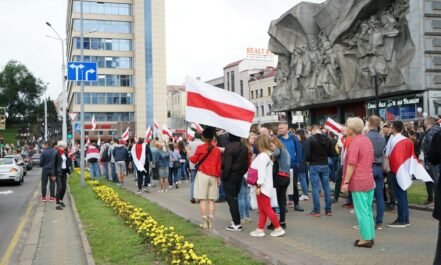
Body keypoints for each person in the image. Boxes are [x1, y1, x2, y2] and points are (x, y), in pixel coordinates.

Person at [341, 117, 375, 248]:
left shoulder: (355, 142)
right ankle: (370, 236)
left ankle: (366, 239)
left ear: (352, 129)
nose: (345, 127)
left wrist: (346, 182)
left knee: (361, 211)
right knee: (368, 210)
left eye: (347, 125)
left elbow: (351, 164)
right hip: (368, 179)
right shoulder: (366, 140)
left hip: (359, 181)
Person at [249, 135, 285, 237]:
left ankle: (278, 228)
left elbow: (261, 173)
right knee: (263, 209)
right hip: (264, 186)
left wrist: (259, 186)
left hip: (262, 186)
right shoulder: (267, 155)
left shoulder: (262, 156)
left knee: (266, 208)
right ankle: (260, 229)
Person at [189, 127, 222, 230]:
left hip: (203, 174)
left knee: (203, 199)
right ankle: (211, 223)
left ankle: (204, 222)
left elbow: (194, 160)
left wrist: (188, 154)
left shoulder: (200, 148)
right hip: (213, 175)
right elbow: (218, 165)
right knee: (212, 200)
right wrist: (218, 177)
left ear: (203, 137)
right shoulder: (217, 150)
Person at [385, 121, 410, 228]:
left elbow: (388, 154)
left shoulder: (393, 139)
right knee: (403, 194)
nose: (390, 128)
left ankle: (401, 220)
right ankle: (405, 218)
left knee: (399, 195)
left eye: (391, 127)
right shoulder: (406, 139)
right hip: (404, 169)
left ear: (394, 128)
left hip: (395, 169)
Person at [222, 133, 249, 232]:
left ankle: (236, 223)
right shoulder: (244, 147)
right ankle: (236, 220)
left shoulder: (229, 148)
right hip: (239, 175)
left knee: (231, 199)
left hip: (230, 176)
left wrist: (224, 177)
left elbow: (227, 166)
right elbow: (246, 163)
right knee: (235, 198)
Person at [304, 125, 333, 217]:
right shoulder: (327, 138)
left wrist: (308, 162)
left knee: (315, 189)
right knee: (326, 188)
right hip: (324, 164)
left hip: (314, 165)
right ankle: (328, 210)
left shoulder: (310, 139)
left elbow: (307, 154)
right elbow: (331, 152)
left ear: (312, 130)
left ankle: (317, 210)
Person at [277, 122, 304, 212]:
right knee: (282, 186)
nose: (279, 130)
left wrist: (298, 162)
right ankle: (283, 205)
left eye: (281, 128)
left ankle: (296, 204)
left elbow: (299, 150)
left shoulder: (293, 138)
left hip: (293, 166)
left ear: (286, 128)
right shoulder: (277, 139)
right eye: (279, 128)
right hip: (281, 167)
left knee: (294, 185)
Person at [366, 115, 386, 229]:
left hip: (369, 167)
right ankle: (379, 222)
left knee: (366, 196)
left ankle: (368, 220)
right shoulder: (382, 138)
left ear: (369, 123)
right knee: (379, 196)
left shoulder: (366, 137)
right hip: (379, 166)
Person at [268, 138, 291, 230]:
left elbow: (274, 154)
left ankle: (274, 223)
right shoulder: (286, 151)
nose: (271, 148)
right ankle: (282, 222)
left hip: (280, 178)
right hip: (286, 178)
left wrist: (268, 154)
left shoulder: (279, 149)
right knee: (282, 202)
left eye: (271, 146)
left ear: (276, 144)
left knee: (274, 201)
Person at [423, 117, 441, 204]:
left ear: (427, 123)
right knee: (432, 178)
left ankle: (434, 199)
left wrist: (428, 155)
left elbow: (430, 146)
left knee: (433, 179)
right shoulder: (434, 130)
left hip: (431, 159)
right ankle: (432, 198)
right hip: (432, 158)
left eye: (424, 122)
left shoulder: (431, 132)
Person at [238, 133, 255, 224]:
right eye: (252, 138)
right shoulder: (251, 149)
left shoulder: (242, 149)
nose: (253, 139)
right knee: (247, 196)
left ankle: (242, 217)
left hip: (242, 172)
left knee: (241, 196)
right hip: (250, 173)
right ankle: (247, 216)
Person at [52, 141, 72, 210]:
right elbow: (53, 165)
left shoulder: (65, 153)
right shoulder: (56, 154)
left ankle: (60, 200)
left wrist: (69, 171)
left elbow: (66, 163)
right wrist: (53, 175)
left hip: (64, 172)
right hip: (58, 173)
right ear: (60, 146)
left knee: (64, 188)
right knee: (59, 188)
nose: (65, 147)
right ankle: (57, 205)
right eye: (64, 146)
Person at [189, 132, 204, 203]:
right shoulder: (203, 144)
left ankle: (192, 196)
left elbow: (188, 154)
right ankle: (199, 197)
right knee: (200, 181)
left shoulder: (191, 144)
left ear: (194, 136)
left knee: (193, 181)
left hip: (192, 164)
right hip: (200, 165)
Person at [216, 129, 230, 203]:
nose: (216, 132)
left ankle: (222, 195)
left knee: (221, 179)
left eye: (217, 131)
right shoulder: (227, 136)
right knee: (224, 179)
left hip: (223, 161)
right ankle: (225, 195)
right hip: (227, 161)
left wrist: (216, 148)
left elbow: (224, 150)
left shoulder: (223, 137)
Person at [297, 130, 309, 201]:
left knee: (302, 178)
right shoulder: (306, 142)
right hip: (304, 162)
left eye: (297, 135)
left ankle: (305, 194)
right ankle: (305, 193)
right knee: (304, 178)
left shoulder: (301, 144)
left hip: (301, 162)